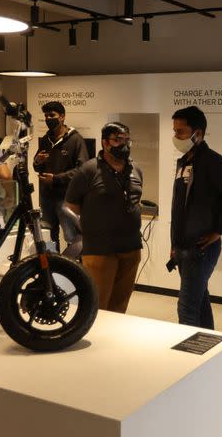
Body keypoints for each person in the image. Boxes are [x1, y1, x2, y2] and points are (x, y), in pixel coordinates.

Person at [170, 106, 222, 330]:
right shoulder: (184, 162)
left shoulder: (213, 161)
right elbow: (179, 207)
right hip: (184, 247)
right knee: (200, 301)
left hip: (201, 248)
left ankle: (189, 357)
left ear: (199, 134)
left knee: (187, 308)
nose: (176, 137)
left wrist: (219, 229)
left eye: (181, 132)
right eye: (175, 131)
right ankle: (209, 348)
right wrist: (174, 243)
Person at [64, 122, 143, 313]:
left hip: (131, 248)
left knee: (120, 305)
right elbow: (71, 207)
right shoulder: (88, 171)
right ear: (105, 143)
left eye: (127, 140)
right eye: (118, 140)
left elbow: (136, 201)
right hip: (100, 249)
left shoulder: (136, 170)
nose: (124, 144)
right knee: (98, 306)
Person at [32, 101, 89, 252]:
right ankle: (51, 266)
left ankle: (73, 268)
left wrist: (57, 178)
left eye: (52, 115)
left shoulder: (76, 140)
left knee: (72, 236)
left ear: (62, 117)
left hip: (66, 198)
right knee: (48, 236)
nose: (48, 118)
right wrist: (37, 161)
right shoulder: (46, 139)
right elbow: (36, 165)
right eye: (46, 116)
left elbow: (82, 170)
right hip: (46, 197)